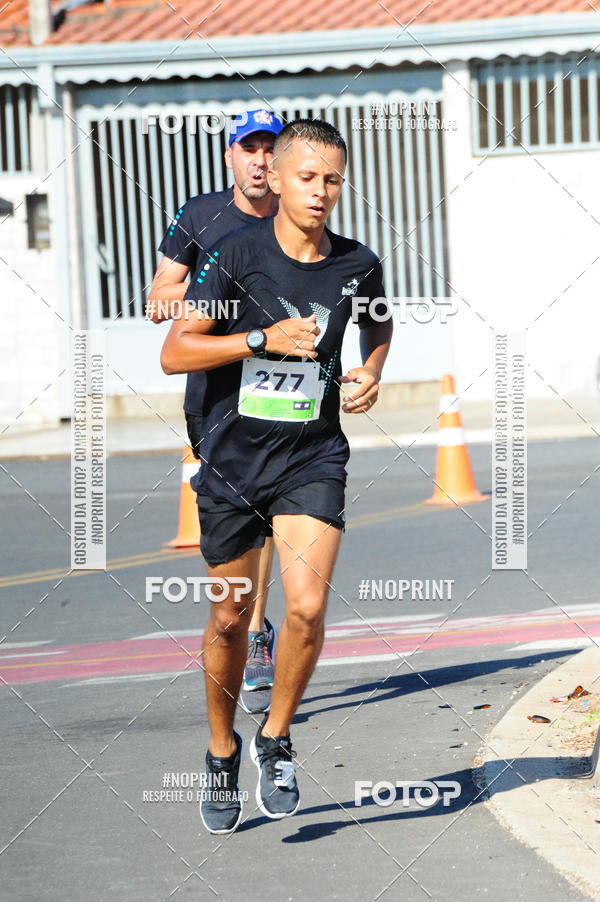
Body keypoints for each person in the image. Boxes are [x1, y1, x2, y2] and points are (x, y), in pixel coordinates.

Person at [161, 118, 393, 834]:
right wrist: (260, 338)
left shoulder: (358, 264)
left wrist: (371, 370)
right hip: (233, 457)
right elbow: (176, 352)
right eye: (307, 177)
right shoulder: (235, 253)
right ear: (281, 179)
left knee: (307, 608)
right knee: (231, 617)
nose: (320, 191)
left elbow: (378, 322)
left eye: (332, 180)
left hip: (313, 454)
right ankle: (222, 749)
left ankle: (277, 737)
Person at [147, 110, 284, 714]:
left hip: (279, 388)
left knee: (273, 511)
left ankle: (255, 631)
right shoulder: (200, 216)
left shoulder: (296, 213)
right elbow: (159, 297)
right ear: (230, 155)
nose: (260, 159)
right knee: (238, 517)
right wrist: (224, 285)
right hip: (213, 395)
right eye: (248, 148)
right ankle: (239, 619)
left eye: (269, 148)